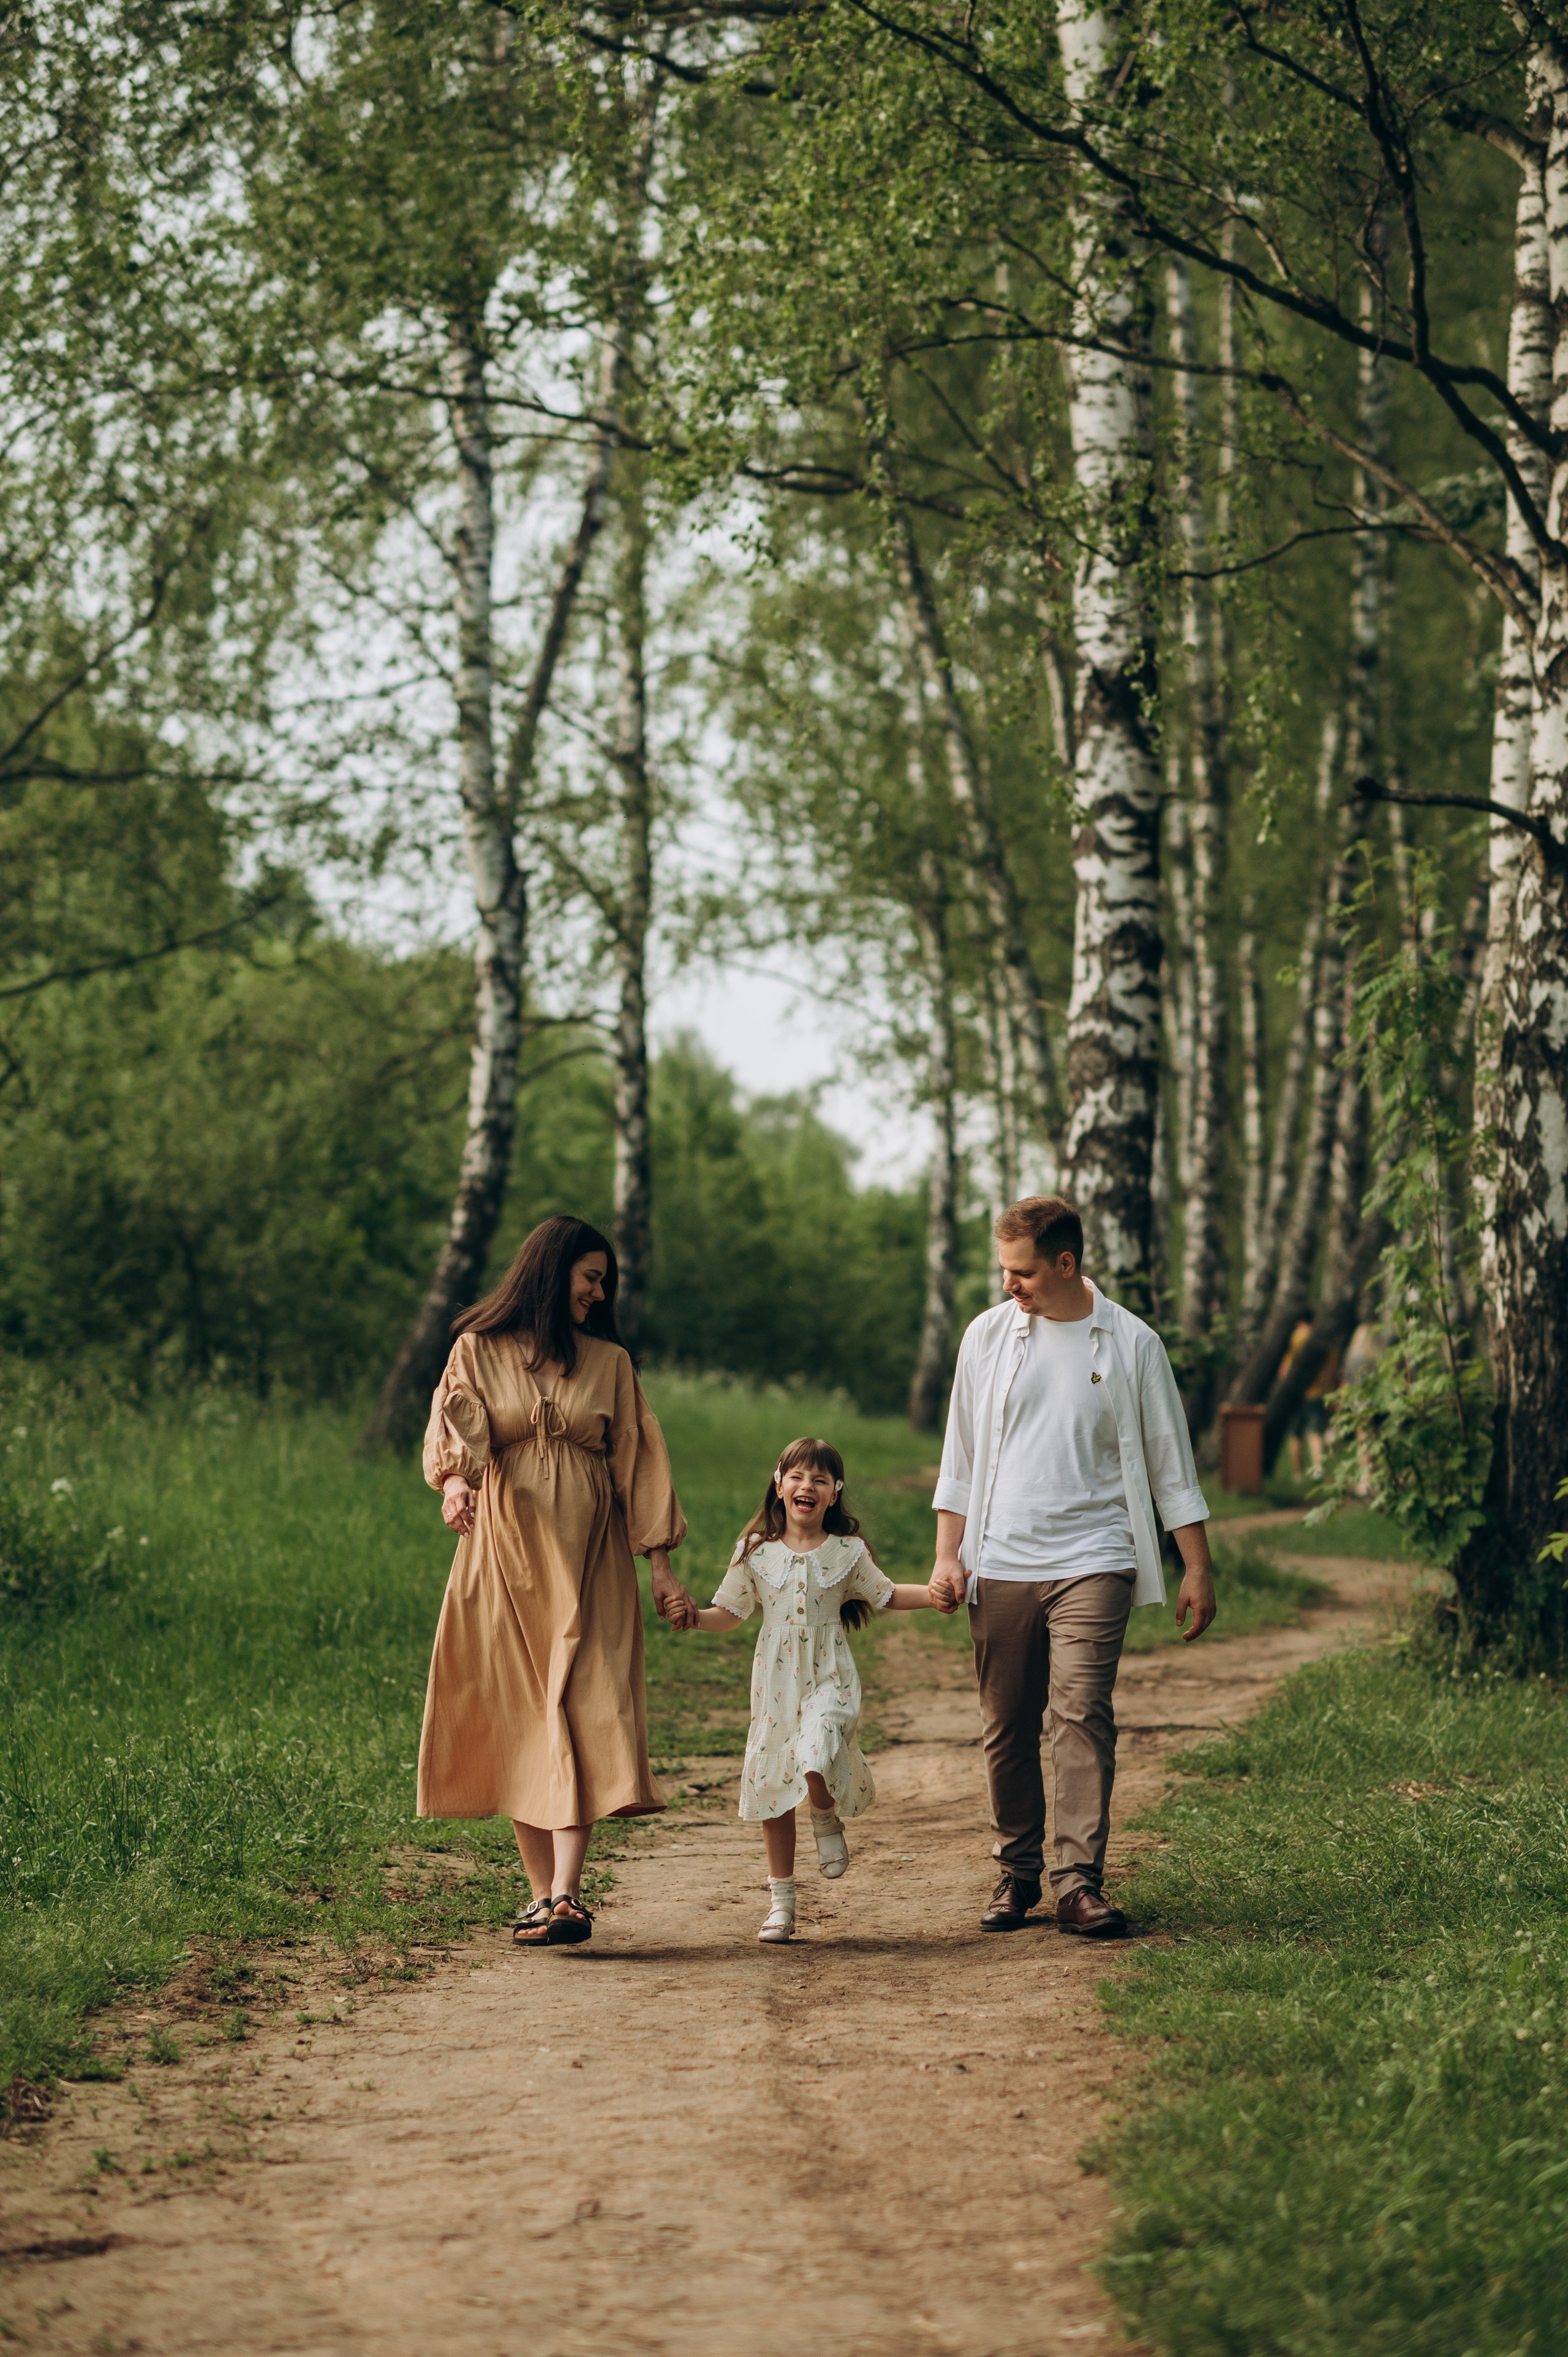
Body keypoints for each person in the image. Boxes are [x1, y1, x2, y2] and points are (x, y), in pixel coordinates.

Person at [930, 1196, 1217, 1940]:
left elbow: (1170, 1463)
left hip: (1095, 1555)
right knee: (1007, 1722)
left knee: (1081, 1712)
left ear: (1065, 1262)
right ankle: (1018, 1869)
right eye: (1003, 1270)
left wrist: (1196, 1565)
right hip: (1000, 1556)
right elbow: (958, 1457)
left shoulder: (1131, 1343)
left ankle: (1077, 1879)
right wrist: (946, 1554)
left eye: (1021, 1271)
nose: (1008, 1286)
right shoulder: (987, 1338)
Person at [418, 1215, 696, 1950]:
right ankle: (543, 1898)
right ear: (551, 1272)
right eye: (590, 1277)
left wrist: (660, 1563)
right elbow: (453, 1437)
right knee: (520, 1714)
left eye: (604, 1281)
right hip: (500, 1559)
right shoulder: (475, 1351)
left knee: (581, 1704)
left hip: (588, 1562)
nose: (599, 1292)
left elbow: (638, 1461)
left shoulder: (610, 1362)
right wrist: (453, 1485)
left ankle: (568, 1891)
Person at [674, 1437, 937, 1944]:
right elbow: (730, 1613)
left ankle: (824, 1813)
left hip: (828, 1678)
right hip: (775, 1685)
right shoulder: (756, 1551)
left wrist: (935, 1594)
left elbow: (886, 1593)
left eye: (820, 1480)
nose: (807, 1486)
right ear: (779, 1484)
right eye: (797, 1476)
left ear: (834, 1494)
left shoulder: (847, 1552)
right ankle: (782, 1905)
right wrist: (693, 1617)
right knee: (774, 1786)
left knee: (815, 1755)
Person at [1280, 1316, 1340, 1481]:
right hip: (1318, 1391)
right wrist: (1334, 1389)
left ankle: (1298, 1474)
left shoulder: (1295, 1337)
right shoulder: (1322, 1338)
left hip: (1297, 1393)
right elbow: (1332, 1367)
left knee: (1296, 1433)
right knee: (1315, 1431)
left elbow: (1285, 1369)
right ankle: (1317, 1469)